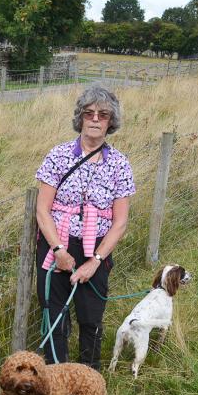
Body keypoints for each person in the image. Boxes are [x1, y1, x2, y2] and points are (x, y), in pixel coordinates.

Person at [34, 85, 135, 370]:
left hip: (96, 249)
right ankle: (55, 380)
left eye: (103, 115)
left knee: (91, 318)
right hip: (56, 244)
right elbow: (42, 210)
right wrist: (59, 251)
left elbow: (120, 222)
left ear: (110, 122)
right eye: (89, 113)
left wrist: (95, 262)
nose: (95, 119)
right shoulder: (58, 155)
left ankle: (88, 382)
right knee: (54, 315)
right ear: (80, 117)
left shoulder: (119, 165)